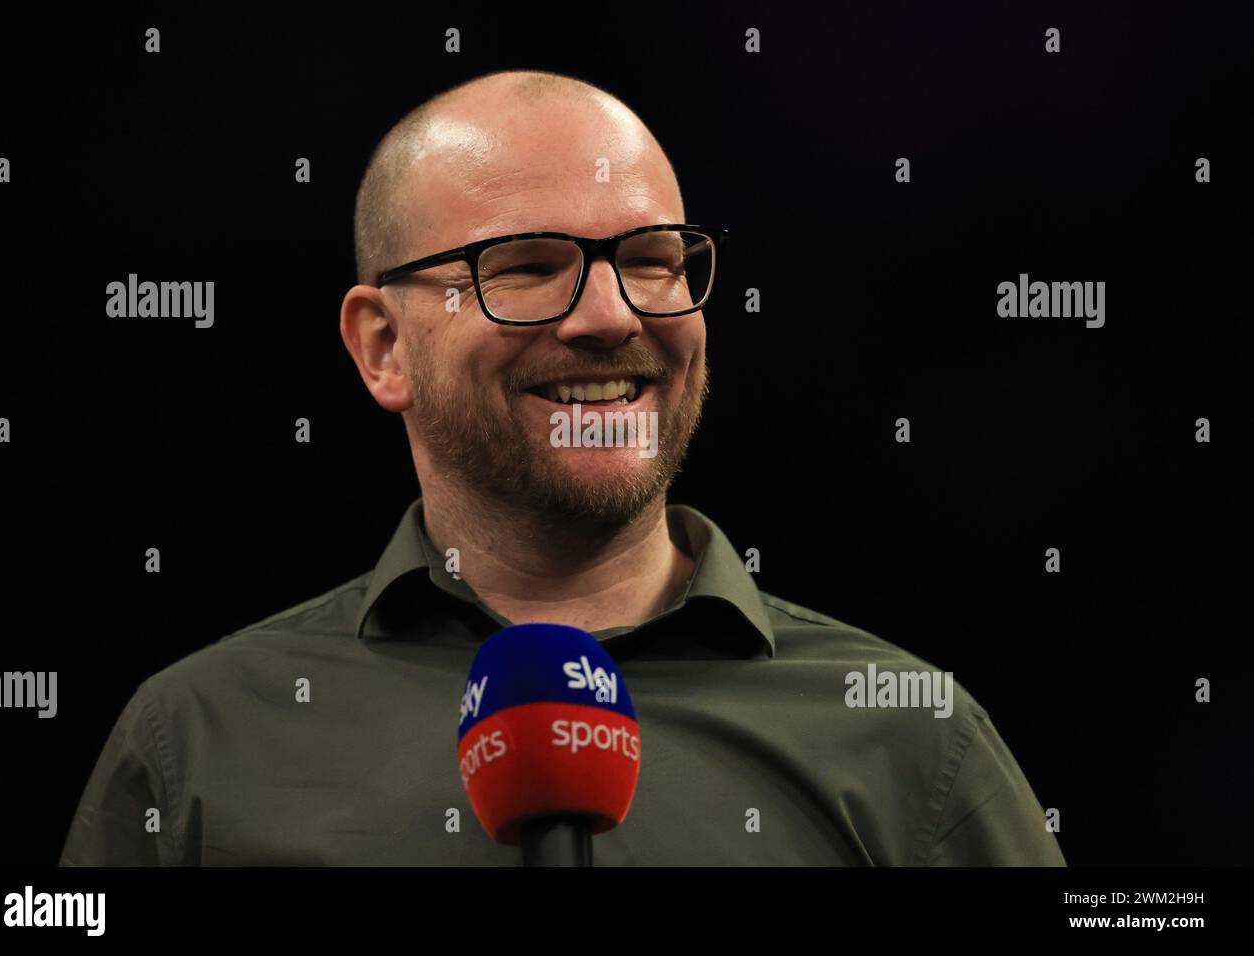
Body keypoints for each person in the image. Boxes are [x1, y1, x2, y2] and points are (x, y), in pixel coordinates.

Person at [60, 69, 1065, 866]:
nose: (613, 314)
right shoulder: (197, 738)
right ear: (383, 346)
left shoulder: (907, 736)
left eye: (654, 259)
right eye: (529, 266)